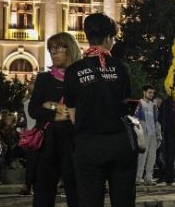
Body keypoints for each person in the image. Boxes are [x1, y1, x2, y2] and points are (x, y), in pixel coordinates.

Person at [63, 13, 135, 207]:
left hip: (88, 144)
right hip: (120, 143)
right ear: (109, 38)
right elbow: (127, 103)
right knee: (124, 200)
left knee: (89, 200)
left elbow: (72, 114)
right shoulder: (121, 68)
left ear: (87, 36)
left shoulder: (73, 71)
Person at [30, 32, 79, 207]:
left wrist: (48, 104)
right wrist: (56, 110)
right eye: (51, 48)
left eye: (58, 47)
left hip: (74, 142)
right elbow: (34, 109)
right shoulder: (45, 78)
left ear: (70, 49)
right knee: (43, 193)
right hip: (48, 142)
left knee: (75, 192)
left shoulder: (81, 77)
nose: (53, 52)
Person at [134, 85, 160, 185]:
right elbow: (135, 119)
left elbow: (156, 120)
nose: (151, 94)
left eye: (153, 93)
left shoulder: (154, 105)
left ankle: (148, 177)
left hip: (153, 133)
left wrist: (158, 133)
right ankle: (138, 177)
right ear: (144, 92)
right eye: (149, 92)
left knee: (152, 157)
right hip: (143, 133)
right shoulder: (139, 104)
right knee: (142, 157)